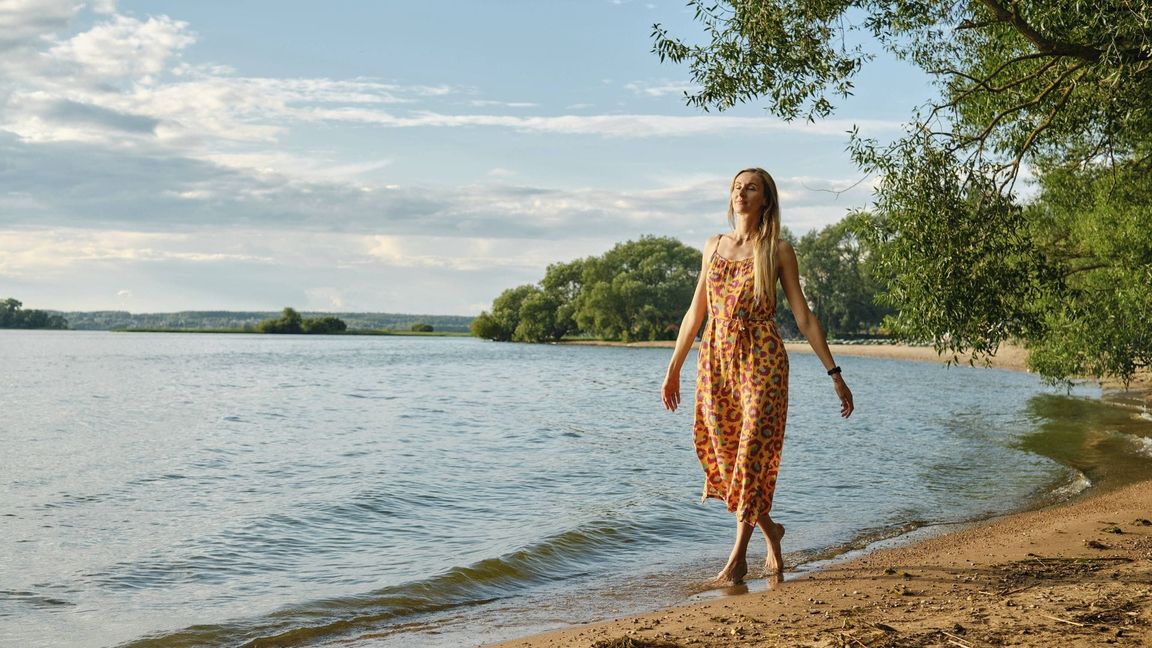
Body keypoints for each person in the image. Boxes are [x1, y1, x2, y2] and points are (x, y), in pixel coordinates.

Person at [661, 167, 854, 587]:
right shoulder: (713, 246)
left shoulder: (778, 250)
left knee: (749, 455)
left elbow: (803, 316)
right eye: (736, 187)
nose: (741, 193)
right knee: (729, 460)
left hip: (762, 359)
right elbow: (695, 313)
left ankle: (736, 561)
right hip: (714, 361)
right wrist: (673, 367)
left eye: (751, 188)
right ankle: (772, 531)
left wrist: (834, 373)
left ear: (766, 199)